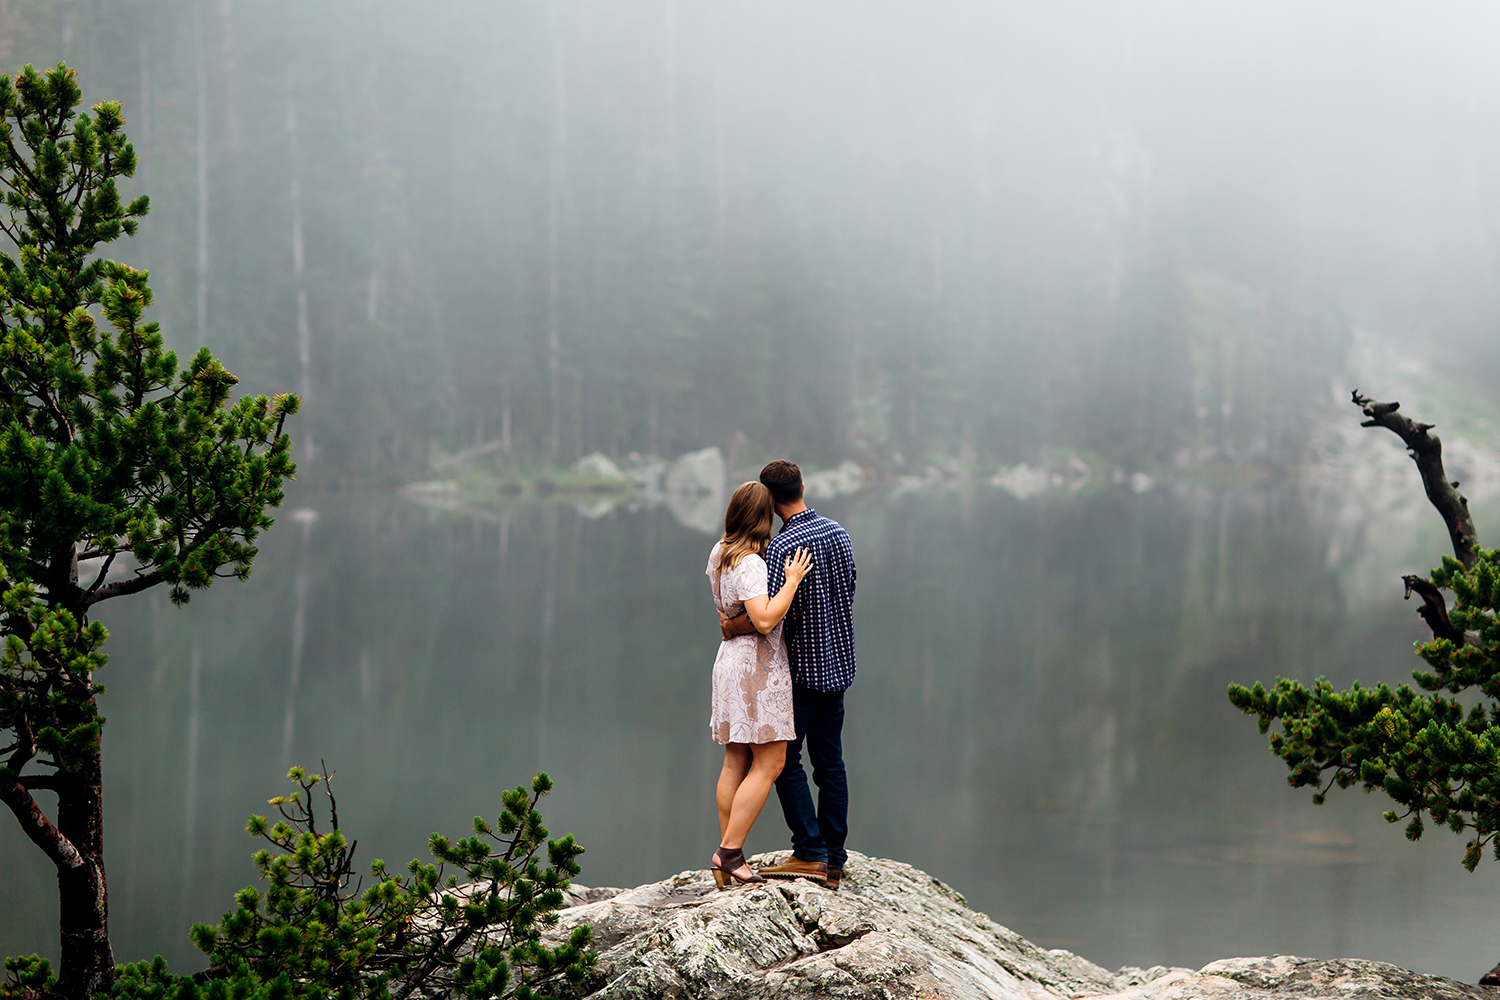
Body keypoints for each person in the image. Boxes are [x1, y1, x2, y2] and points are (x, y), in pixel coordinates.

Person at [720, 460, 856, 890]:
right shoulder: (839, 532)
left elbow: (768, 616)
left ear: (770, 500)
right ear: (803, 485)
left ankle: (810, 851)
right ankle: (834, 860)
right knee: (830, 764)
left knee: (781, 761)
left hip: (798, 673)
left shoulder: (780, 549)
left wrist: (730, 626)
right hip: (838, 667)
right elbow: (849, 587)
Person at [706, 481, 812, 888]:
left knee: (736, 759)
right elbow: (765, 619)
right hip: (756, 669)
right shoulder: (751, 562)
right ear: (763, 516)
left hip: (730, 663)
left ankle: (728, 854)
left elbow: (732, 613)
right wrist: (791, 580)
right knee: (771, 762)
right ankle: (729, 853)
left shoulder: (719, 552)